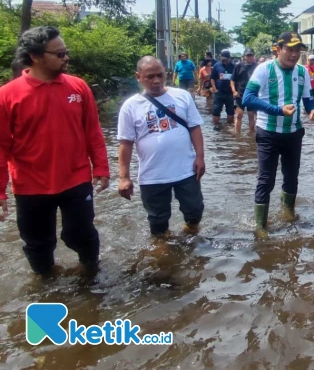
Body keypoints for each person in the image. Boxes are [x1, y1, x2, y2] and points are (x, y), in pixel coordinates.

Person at [0, 26, 110, 275]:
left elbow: (92, 131)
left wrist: (101, 167)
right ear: (35, 56)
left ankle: (90, 274)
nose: (66, 58)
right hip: (30, 185)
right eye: (59, 54)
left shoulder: (78, 87)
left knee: (81, 233)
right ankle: (45, 282)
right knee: (38, 243)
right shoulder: (7, 95)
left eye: (66, 52)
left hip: (76, 178)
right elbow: (1, 147)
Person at [117, 56, 206, 236]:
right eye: (150, 77)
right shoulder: (130, 106)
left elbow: (195, 127)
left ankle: (191, 233)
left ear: (167, 74)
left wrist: (200, 157)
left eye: (160, 75)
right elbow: (125, 143)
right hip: (152, 175)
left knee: (195, 211)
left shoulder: (182, 96)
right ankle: (163, 252)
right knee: (157, 221)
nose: (156, 81)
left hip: (186, 170)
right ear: (138, 77)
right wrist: (124, 177)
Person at [243, 32, 314, 230]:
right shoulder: (264, 69)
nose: (294, 54)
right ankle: (260, 226)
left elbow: (307, 98)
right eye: (290, 49)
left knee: (292, 176)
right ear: (278, 49)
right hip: (268, 132)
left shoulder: (302, 71)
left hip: (294, 132)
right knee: (266, 179)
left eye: (298, 50)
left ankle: (289, 214)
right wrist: (278, 110)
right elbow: (247, 99)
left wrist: (311, 110)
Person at [230, 48, 258, 134]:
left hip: (252, 95)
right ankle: (237, 135)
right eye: (248, 55)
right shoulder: (238, 66)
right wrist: (234, 91)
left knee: (251, 116)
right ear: (244, 56)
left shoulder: (256, 66)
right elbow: (232, 80)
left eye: (251, 55)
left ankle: (251, 134)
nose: (250, 57)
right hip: (240, 94)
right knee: (239, 115)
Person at [210, 49, 235, 130]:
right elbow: (212, 78)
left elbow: (237, 79)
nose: (224, 61)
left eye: (226, 59)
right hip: (219, 93)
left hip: (230, 93)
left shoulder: (234, 66)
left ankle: (229, 129)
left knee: (230, 112)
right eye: (223, 59)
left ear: (229, 58)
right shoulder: (217, 66)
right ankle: (215, 128)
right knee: (216, 111)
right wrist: (214, 88)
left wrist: (235, 90)